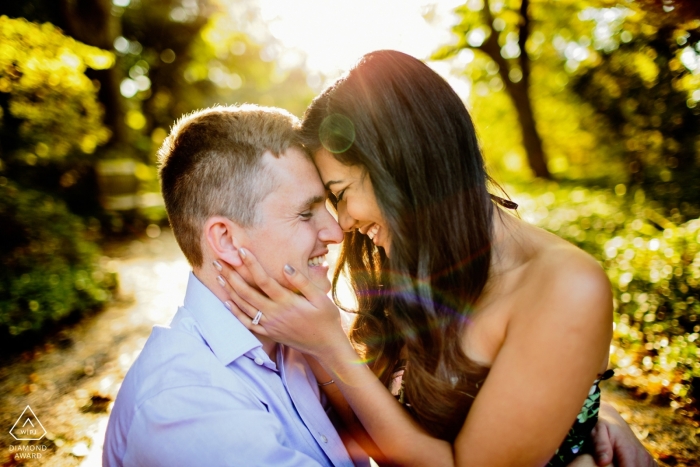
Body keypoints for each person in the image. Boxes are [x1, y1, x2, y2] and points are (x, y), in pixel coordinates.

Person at [215, 51, 659, 467]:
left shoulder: (563, 287)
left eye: (341, 195)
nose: (344, 223)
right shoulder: (415, 257)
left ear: (401, 165)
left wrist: (328, 345)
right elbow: (380, 425)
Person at [102, 105, 370, 466]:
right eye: (306, 213)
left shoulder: (300, 337)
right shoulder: (185, 402)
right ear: (225, 240)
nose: (336, 231)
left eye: (328, 205)